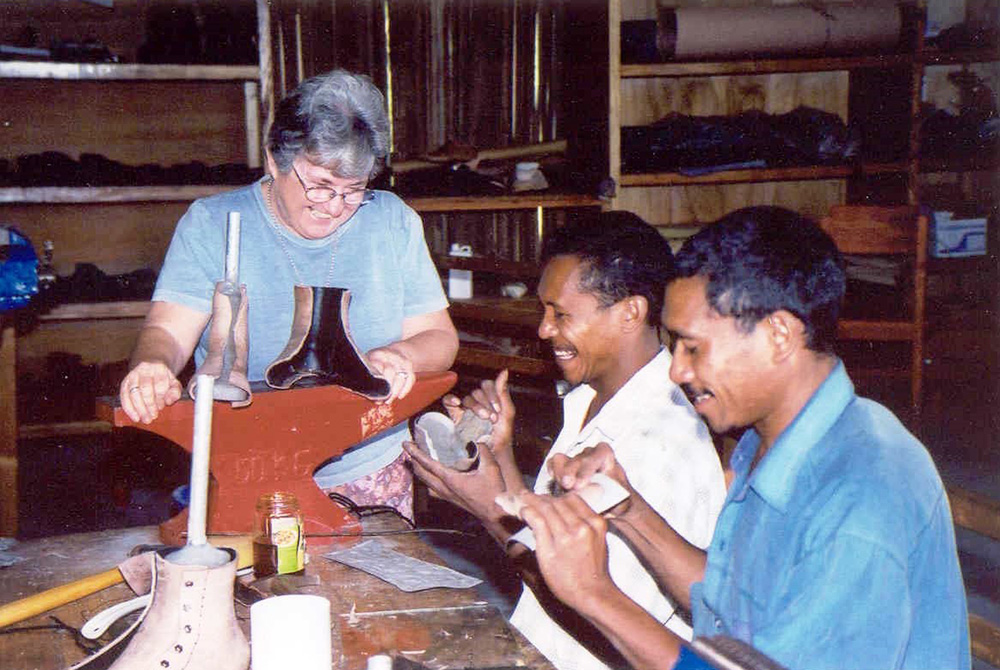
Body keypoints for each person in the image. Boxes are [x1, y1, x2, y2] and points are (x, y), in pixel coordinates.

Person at [510, 206, 970, 670]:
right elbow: (730, 602)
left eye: (692, 347)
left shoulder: (861, 497)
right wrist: (627, 508)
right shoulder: (779, 437)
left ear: (778, 335)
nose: (677, 370)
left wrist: (595, 594)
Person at [119, 69, 458, 518]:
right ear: (275, 161)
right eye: (319, 185)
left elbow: (439, 337)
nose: (334, 207)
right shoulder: (212, 222)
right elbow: (167, 329)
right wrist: (155, 366)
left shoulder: (392, 221)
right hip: (245, 468)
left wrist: (403, 355)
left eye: (354, 190)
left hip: (369, 467)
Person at [403, 211, 726, 670]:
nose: (543, 329)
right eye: (544, 311)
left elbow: (596, 619)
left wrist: (489, 508)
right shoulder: (595, 400)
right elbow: (542, 532)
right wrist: (501, 453)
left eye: (561, 314)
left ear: (630, 312)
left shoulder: (656, 446)